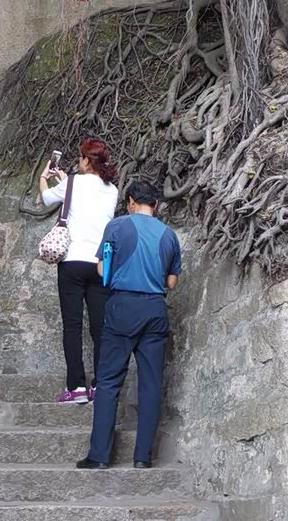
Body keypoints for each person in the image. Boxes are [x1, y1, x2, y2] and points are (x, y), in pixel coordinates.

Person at [77, 180, 182, 470]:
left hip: (122, 306)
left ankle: (99, 456)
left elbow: (101, 270)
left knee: (109, 381)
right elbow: (171, 282)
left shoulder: (117, 226)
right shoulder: (169, 235)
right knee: (150, 385)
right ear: (156, 205)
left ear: (132, 201)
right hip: (155, 309)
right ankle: (142, 458)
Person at [40, 139, 118, 404]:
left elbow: (46, 198)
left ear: (86, 160)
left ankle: (76, 388)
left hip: (72, 261)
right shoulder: (113, 190)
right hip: (99, 264)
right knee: (100, 327)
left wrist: (45, 178)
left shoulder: (72, 183)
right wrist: (67, 181)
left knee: (72, 326)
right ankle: (100, 385)